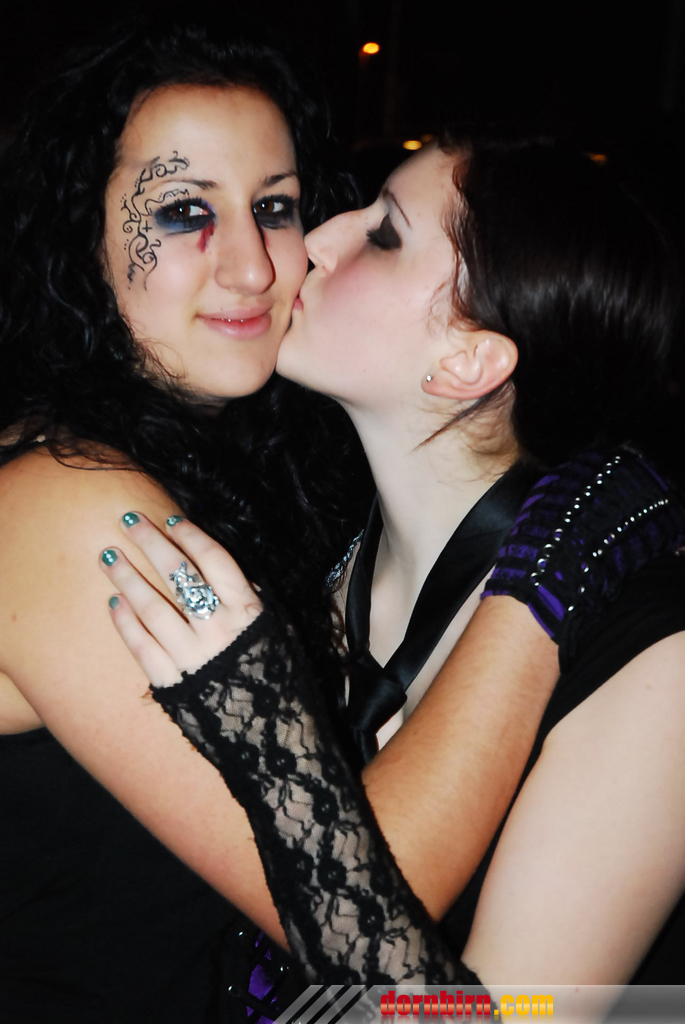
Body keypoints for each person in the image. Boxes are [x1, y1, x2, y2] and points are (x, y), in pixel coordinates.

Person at [0, 18, 616, 1021]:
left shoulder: (228, 467)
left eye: (274, 207)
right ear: (82, 236)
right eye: (185, 211)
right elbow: (368, 906)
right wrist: (550, 567)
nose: (255, 267)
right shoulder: (77, 513)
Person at [102, 131, 685, 999]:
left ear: (467, 362)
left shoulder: (654, 658)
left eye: (381, 234)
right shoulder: (309, 547)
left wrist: (266, 744)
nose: (315, 239)